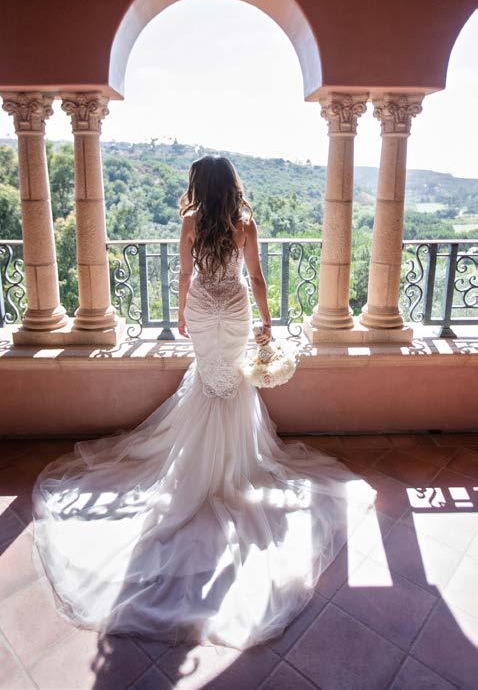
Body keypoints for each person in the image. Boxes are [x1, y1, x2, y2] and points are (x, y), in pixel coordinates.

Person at [32, 155, 377, 650]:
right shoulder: (245, 223)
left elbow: (183, 274)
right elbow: (257, 278)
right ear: (232, 185)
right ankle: (233, 468)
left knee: (209, 380)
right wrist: (267, 321)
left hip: (202, 307)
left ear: (199, 185)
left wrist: (181, 314)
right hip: (233, 309)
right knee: (230, 383)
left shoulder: (192, 221)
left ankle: (204, 470)